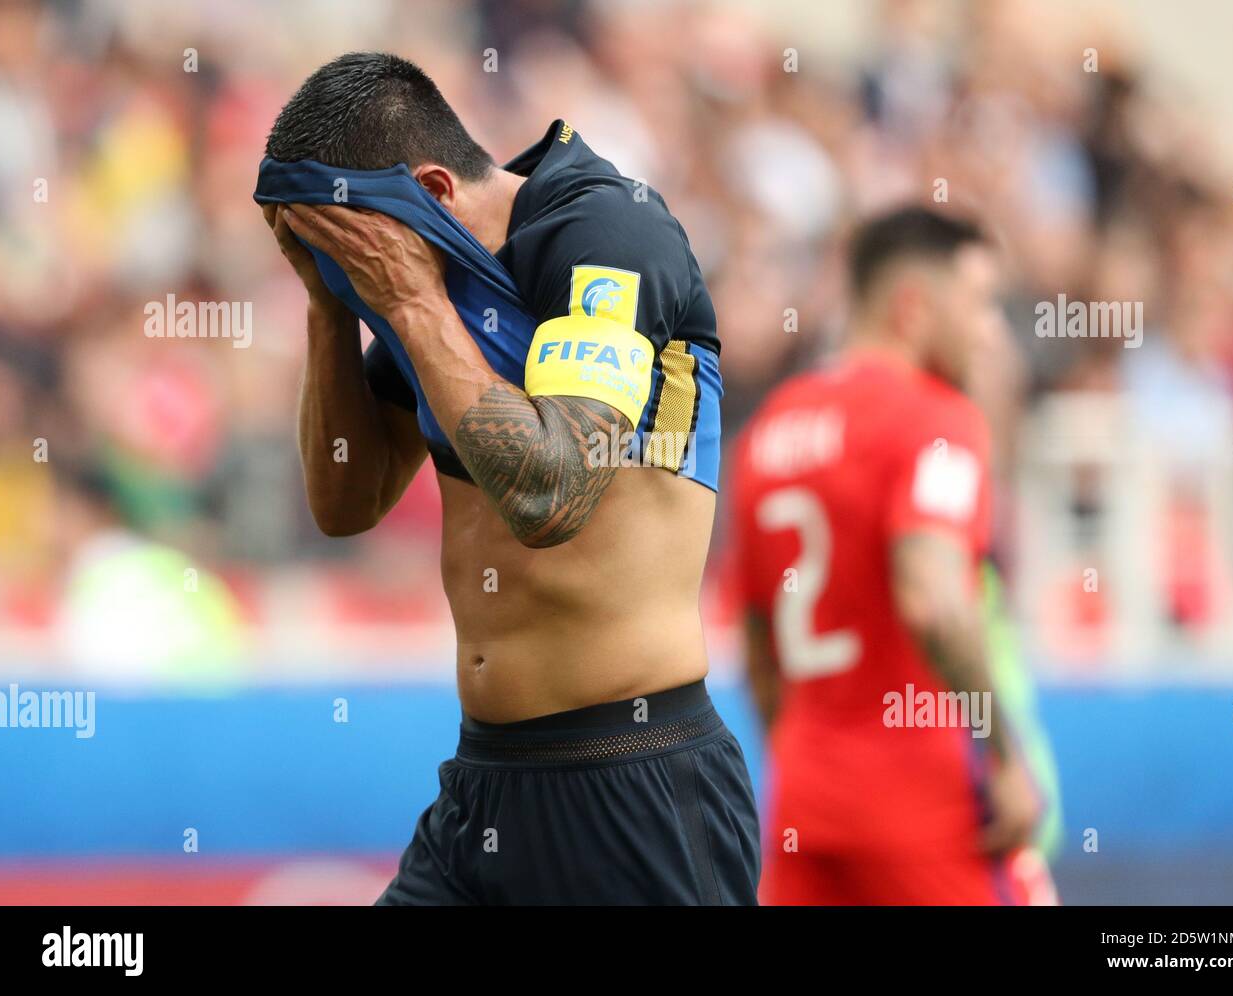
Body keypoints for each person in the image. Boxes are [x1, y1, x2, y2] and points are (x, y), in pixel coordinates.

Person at [258, 52, 758, 905]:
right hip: (485, 780)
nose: (355, 271)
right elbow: (346, 500)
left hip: (636, 779)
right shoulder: (438, 294)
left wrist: (412, 306)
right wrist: (326, 307)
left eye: (348, 242)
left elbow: (547, 493)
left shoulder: (607, 235)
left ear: (435, 192)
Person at [729, 207, 1049, 904]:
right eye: (978, 304)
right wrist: (1004, 757)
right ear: (913, 307)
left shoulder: (767, 433)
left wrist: (804, 758)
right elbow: (932, 598)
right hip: (924, 810)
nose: (989, 329)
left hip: (804, 807)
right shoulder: (936, 418)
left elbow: (754, 645)